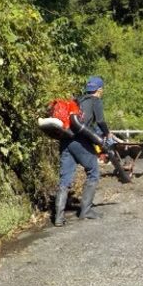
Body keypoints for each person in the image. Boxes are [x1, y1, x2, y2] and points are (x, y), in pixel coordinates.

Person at [54, 76, 112, 227]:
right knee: (93, 171)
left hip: (66, 141)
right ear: (99, 90)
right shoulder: (95, 101)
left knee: (65, 179)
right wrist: (107, 133)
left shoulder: (78, 100)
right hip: (79, 141)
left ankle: (58, 218)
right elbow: (100, 121)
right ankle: (85, 211)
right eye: (101, 89)